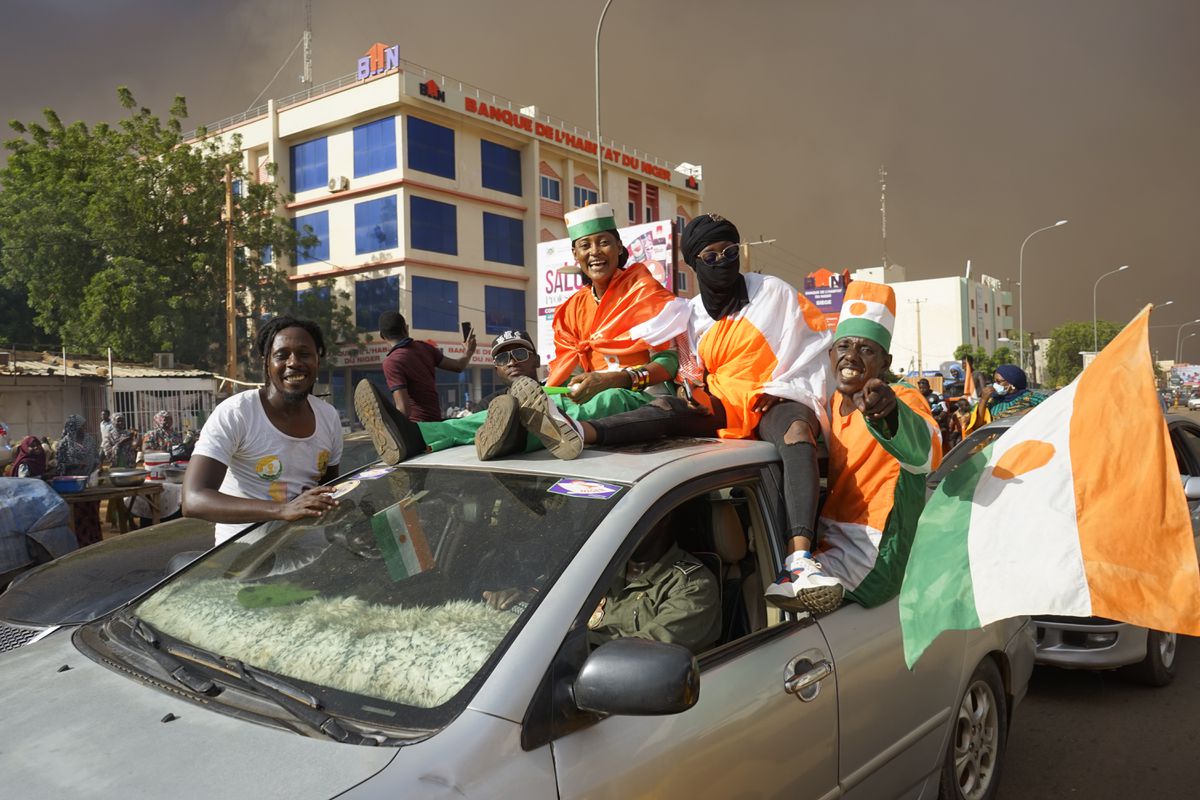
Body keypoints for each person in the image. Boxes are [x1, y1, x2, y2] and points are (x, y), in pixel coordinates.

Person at [511, 213, 839, 613]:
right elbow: (687, 371)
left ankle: (799, 562)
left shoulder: (774, 293)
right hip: (718, 399)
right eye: (710, 255)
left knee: (797, 435)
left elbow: (812, 345)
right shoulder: (689, 314)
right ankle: (578, 432)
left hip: (773, 396)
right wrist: (692, 389)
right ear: (694, 264)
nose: (721, 261)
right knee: (664, 408)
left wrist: (782, 389)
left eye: (729, 252)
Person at [811, 281, 943, 608]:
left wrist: (889, 413)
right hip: (826, 546)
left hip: (873, 555)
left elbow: (927, 452)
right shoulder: (825, 407)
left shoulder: (902, 397)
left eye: (867, 350)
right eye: (844, 347)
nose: (851, 357)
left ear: (885, 363)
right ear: (831, 355)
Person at [353, 328, 651, 464]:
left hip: (581, 418)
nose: (511, 362)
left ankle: (416, 435)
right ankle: (418, 436)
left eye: (519, 353)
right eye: (502, 358)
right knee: (492, 414)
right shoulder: (490, 405)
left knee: (605, 398)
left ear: (536, 360)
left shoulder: (570, 385)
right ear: (496, 370)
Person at [183, 315, 343, 546]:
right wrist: (282, 510)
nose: (294, 362)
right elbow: (193, 500)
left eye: (305, 354)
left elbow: (329, 491)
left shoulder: (329, 417)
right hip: (243, 558)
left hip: (307, 555)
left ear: (318, 360)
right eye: (282, 355)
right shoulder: (237, 413)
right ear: (266, 362)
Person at [483, 509, 721, 655]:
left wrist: (564, 644)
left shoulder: (692, 586)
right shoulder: (599, 564)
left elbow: (641, 659)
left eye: (629, 518)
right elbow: (556, 597)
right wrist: (521, 601)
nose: (614, 529)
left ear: (662, 518)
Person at [546, 202, 691, 402]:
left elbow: (668, 361)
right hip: (590, 396)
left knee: (608, 401)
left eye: (604, 242)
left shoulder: (643, 291)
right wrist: (571, 389)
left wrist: (619, 379)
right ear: (575, 254)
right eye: (585, 245)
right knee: (537, 406)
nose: (595, 252)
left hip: (643, 395)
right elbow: (569, 367)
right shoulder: (571, 309)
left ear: (619, 247)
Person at [366, 310, 476, 423]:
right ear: (406, 328)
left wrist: (383, 422)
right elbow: (459, 366)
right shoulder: (425, 348)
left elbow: (404, 411)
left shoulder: (392, 362)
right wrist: (469, 351)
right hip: (435, 422)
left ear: (382, 336)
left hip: (417, 429)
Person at [57, 414, 102, 547]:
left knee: (92, 512)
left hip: (89, 482)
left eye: (84, 426)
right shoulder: (64, 443)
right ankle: (80, 543)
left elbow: (96, 457)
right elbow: (59, 465)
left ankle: (94, 540)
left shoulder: (89, 440)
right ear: (73, 427)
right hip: (73, 486)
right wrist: (73, 466)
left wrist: (96, 465)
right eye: (81, 426)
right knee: (78, 514)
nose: (84, 428)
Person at [963, 364, 1050, 433]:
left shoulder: (1030, 397)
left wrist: (1028, 411)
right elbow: (978, 427)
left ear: (1012, 383)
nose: (995, 385)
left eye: (999, 381)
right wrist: (983, 400)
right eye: (994, 381)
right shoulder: (991, 400)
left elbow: (1053, 406)